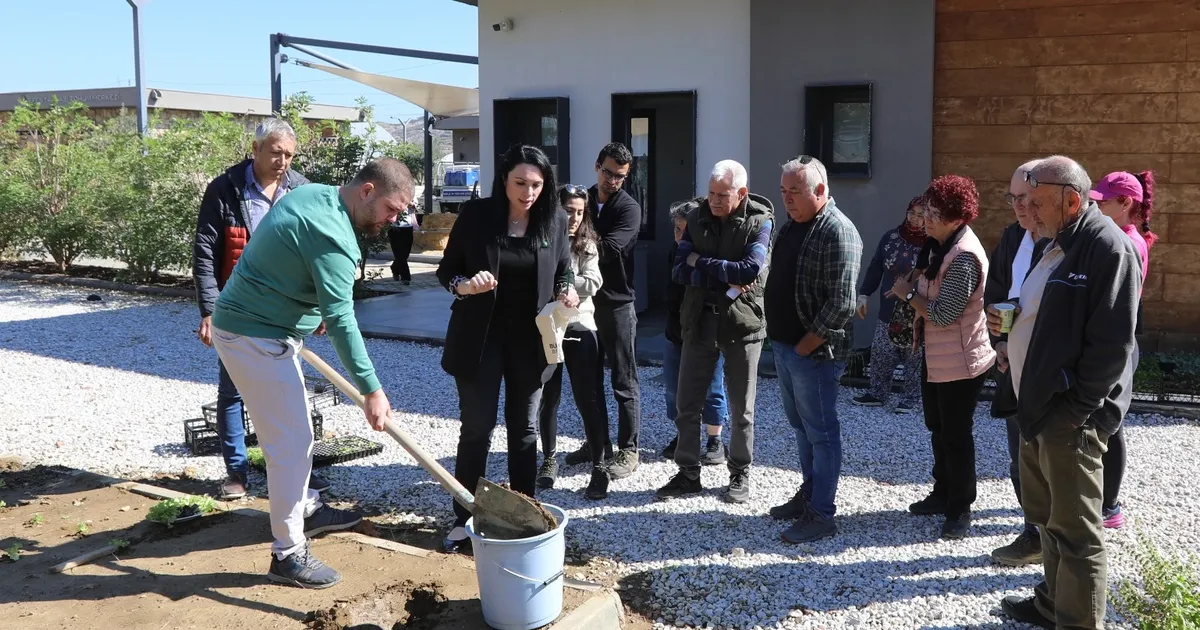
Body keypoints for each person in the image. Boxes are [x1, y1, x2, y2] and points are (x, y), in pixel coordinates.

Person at [210, 158, 412, 589]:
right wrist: (372, 389)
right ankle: (287, 554)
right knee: (292, 443)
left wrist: (307, 307)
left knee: (290, 434)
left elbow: (276, 251)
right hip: (255, 338)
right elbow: (342, 320)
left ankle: (307, 507)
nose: (394, 221)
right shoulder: (334, 237)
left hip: (259, 328)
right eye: (392, 210)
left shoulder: (312, 195)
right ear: (367, 191)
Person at [994, 156, 1141, 630]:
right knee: (1050, 521)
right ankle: (1052, 605)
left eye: (1036, 202)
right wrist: (1012, 322)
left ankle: (1076, 621)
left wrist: (1076, 413)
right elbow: (1048, 314)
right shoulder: (1055, 242)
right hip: (1037, 408)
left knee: (1076, 532)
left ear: (1071, 200)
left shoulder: (1105, 249)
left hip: (1066, 418)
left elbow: (1112, 346)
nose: (1028, 212)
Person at [436, 145, 576, 552]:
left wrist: (566, 292)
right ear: (504, 180)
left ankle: (525, 515)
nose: (528, 192)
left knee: (525, 430)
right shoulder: (477, 216)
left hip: (530, 341)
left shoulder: (555, 219)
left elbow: (563, 272)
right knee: (477, 428)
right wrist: (464, 285)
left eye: (536, 184)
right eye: (520, 183)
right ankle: (465, 517)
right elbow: (447, 269)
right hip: (479, 338)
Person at [193, 117, 331, 501]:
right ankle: (236, 472)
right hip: (238, 309)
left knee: (288, 389)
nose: (283, 161)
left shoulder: (302, 190)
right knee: (233, 390)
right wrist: (209, 309)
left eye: (289, 154)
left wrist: (318, 304)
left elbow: (316, 253)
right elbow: (205, 253)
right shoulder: (225, 189)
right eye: (275, 153)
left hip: (287, 309)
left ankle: (293, 471)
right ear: (255, 150)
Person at [655, 160, 772, 504]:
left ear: (742, 193)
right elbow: (679, 270)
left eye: (723, 195)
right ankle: (688, 473)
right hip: (698, 321)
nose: (715, 201)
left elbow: (752, 268)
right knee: (686, 404)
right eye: (711, 193)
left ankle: (739, 474)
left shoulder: (761, 222)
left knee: (741, 409)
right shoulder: (696, 218)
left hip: (742, 324)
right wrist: (725, 273)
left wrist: (701, 263)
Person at [888, 175, 996, 540]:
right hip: (937, 356)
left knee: (956, 435)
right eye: (925, 211)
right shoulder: (938, 245)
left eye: (934, 213)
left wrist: (906, 295)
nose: (926, 219)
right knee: (937, 427)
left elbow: (944, 313)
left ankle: (960, 509)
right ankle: (942, 492)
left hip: (963, 361)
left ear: (955, 217)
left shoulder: (963, 255)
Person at [766, 156, 862, 544]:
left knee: (821, 432)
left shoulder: (837, 231)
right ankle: (809, 495)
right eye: (784, 192)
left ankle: (822, 513)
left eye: (796, 192)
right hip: (787, 348)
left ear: (820, 191)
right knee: (802, 429)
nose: (787, 199)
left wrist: (806, 346)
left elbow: (841, 302)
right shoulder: (793, 224)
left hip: (814, 354)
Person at [563, 143, 643, 481]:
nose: (613, 181)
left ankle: (629, 448)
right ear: (597, 166)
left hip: (616, 303)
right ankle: (598, 443)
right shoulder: (582, 200)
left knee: (623, 379)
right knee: (587, 380)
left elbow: (609, 249)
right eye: (608, 173)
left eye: (621, 177)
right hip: (582, 305)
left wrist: (577, 241)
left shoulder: (629, 208)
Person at [987, 160, 1051, 567]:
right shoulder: (1013, 236)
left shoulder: (1066, 242)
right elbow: (996, 290)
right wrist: (999, 340)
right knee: (1019, 455)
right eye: (1013, 198)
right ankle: (1032, 532)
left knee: (1051, 459)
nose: (1019, 207)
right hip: (1012, 361)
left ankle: (1054, 538)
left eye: (1027, 199)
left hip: (1048, 367)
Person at [1090, 169, 1156, 531]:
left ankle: (1110, 505)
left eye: (1103, 201)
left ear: (1125, 203)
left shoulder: (1127, 241)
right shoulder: (1124, 235)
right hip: (1120, 340)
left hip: (1119, 343)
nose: (1096, 205)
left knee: (1111, 424)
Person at [534, 184, 610, 499]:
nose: (575, 217)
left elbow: (593, 282)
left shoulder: (587, 245)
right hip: (548, 329)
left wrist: (562, 281)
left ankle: (600, 466)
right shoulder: (540, 238)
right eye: (569, 210)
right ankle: (549, 459)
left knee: (587, 398)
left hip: (580, 327)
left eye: (580, 212)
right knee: (548, 395)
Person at [662, 198, 729, 465]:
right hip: (674, 331)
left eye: (685, 230)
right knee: (673, 389)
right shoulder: (673, 252)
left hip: (706, 332)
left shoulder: (708, 255)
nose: (680, 236)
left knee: (712, 388)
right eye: (676, 230)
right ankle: (684, 436)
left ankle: (715, 441)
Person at [853, 196, 927, 414]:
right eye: (912, 213)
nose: (915, 219)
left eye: (921, 216)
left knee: (915, 356)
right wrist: (864, 294)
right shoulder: (891, 238)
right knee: (881, 353)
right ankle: (877, 393)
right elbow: (876, 266)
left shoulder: (932, 243)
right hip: (888, 310)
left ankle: (912, 398)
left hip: (916, 311)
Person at [387, 203, 419, 284]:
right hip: (394, 227)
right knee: (399, 253)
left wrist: (412, 205)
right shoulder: (394, 195)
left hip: (408, 227)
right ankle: (405, 277)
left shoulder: (411, 196)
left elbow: (416, 208)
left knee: (405, 253)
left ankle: (395, 268)